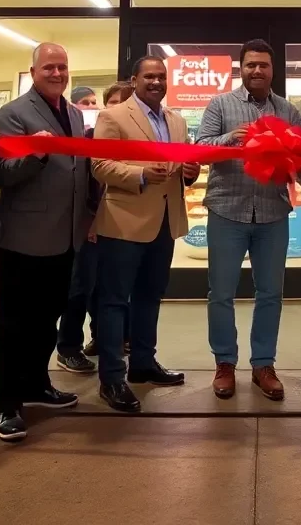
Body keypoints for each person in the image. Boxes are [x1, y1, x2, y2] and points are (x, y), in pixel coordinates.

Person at [0, 43, 90, 442]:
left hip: (65, 236)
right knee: (14, 321)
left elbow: (78, 170)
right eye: (49, 66)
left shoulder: (77, 113)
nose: (57, 73)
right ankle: (7, 401)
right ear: (33, 71)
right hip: (23, 236)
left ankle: (36, 383)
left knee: (48, 317)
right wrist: (38, 153)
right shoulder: (14, 113)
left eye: (63, 67)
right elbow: (4, 172)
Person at [91, 57, 200, 413]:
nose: (156, 81)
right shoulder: (113, 117)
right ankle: (111, 378)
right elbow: (100, 165)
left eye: (161, 77)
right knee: (113, 301)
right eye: (149, 76)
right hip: (124, 222)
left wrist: (189, 172)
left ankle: (143, 362)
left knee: (150, 296)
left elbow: (181, 170)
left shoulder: (177, 121)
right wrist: (139, 175)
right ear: (134, 80)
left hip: (165, 222)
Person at [197, 39, 301, 401]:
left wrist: (297, 162)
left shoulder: (288, 110)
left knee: (271, 293)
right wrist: (231, 138)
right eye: (251, 64)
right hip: (227, 209)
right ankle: (224, 363)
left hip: (272, 212)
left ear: (273, 70)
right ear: (240, 68)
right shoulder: (220, 104)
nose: (257, 70)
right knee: (221, 294)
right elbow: (201, 148)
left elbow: (298, 157)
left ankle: (263, 365)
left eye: (264, 65)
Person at [56, 81, 133, 372]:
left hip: (122, 225)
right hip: (89, 225)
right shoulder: (89, 138)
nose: (116, 108)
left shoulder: (137, 142)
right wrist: (90, 220)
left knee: (111, 289)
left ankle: (104, 339)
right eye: (111, 102)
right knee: (80, 287)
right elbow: (83, 185)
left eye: (124, 103)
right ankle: (68, 347)